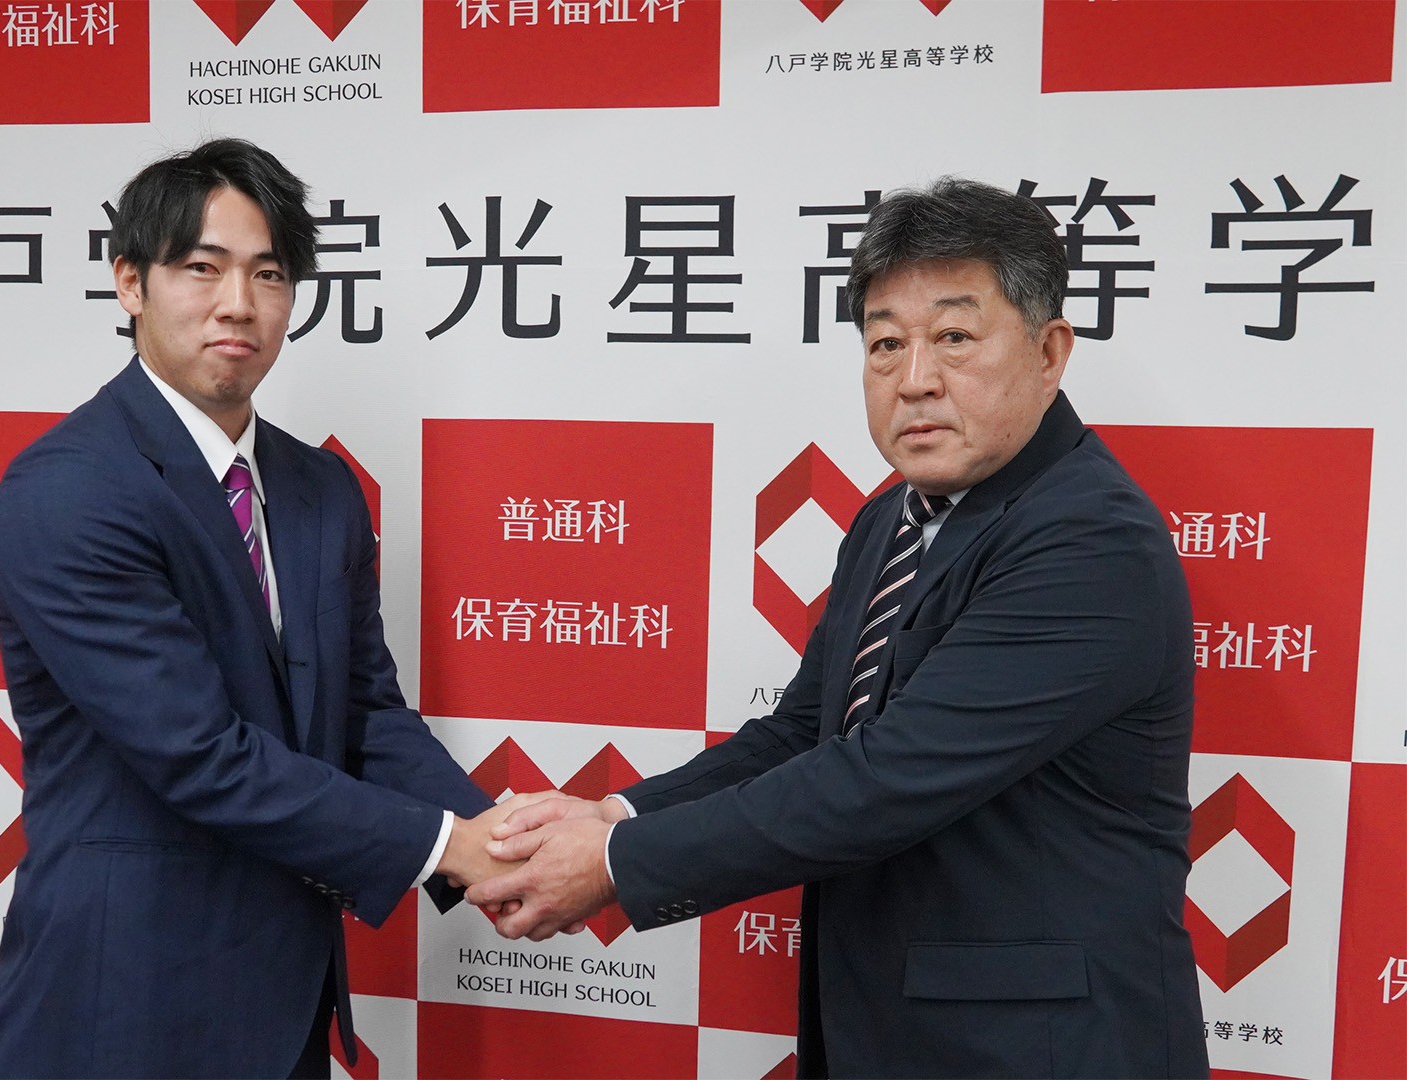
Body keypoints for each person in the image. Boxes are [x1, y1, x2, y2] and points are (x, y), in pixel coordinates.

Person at [470, 178, 1209, 1078]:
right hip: (885, 1029)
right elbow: (802, 733)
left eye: (954, 337)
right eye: (886, 343)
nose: (916, 378)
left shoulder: (1090, 541)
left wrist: (616, 863)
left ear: (1050, 352)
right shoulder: (891, 518)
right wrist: (617, 812)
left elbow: (887, 777)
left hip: (1043, 1049)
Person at [0, 138, 517, 1078]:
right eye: (202, 267)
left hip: (286, 1001)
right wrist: (449, 847)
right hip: (121, 1003)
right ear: (130, 282)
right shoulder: (70, 488)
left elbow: (364, 710)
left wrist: (497, 838)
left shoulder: (322, 488)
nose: (239, 303)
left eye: (269, 274)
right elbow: (200, 756)